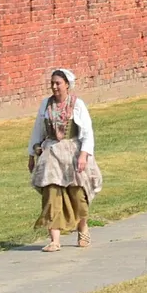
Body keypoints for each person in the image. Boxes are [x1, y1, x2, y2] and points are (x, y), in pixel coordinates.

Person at [27, 68, 104, 251]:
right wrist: (31, 155)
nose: (54, 87)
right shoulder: (46, 104)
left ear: (67, 85)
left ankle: (83, 229)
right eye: (52, 83)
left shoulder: (77, 104)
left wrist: (84, 155)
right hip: (51, 153)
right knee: (51, 192)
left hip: (72, 152)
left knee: (77, 193)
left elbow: (87, 132)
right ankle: (55, 240)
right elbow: (38, 129)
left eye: (58, 83)